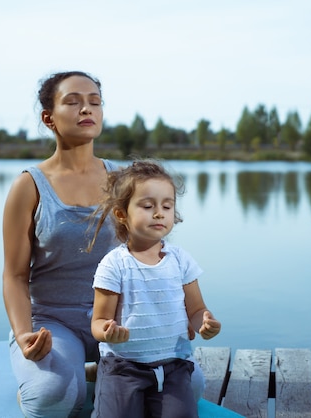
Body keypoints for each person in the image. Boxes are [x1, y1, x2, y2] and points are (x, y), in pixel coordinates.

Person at [1, 72, 205, 418]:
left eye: (95, 101)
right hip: (54, 322)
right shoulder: (29, 186)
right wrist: (24, 336)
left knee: (193, 383)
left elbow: (155, 253)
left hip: (122, 319)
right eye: (73, 101)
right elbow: (15, 275)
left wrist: (185, 313)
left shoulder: (126, 182)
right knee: (50, 397)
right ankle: (70, 378)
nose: (87, 109)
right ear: (48, 118)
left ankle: (95, 375)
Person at [88, 159, 221, 418]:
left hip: (173, 366)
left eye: (167, 206)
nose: (159, 212)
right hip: (123, 367)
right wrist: (107, 332)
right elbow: (98, 322)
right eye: (148, 206)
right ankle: (96, 384)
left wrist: (204, 322)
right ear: (122, 214)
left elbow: (196, 309)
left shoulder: (181, 260)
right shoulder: (114, 264)